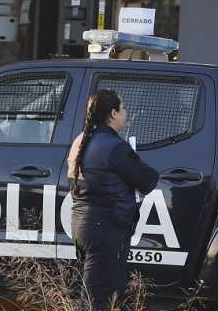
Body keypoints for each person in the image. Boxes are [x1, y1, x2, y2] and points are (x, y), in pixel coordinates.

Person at [67, 90, 159, 311]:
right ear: (113, 113)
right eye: (123, 108)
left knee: (114, 298)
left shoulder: (80, 141)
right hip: (106, 231)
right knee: (94, 302)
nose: (126, 113)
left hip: (83, 228)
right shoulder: (113, 146)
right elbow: (148, 180)